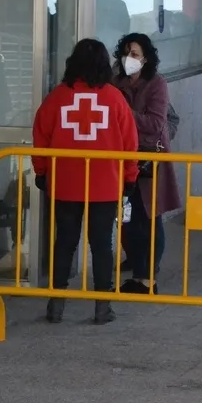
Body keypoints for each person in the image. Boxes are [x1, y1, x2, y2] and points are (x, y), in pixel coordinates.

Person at [32, 38, 139, 324]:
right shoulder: (115, 98)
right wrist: (130, 177)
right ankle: (102, 307)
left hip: (64, 182)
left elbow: (40, 137)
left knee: (64, 242)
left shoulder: (57, 97)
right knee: (102, 245)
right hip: (105, 185)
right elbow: (130, 142)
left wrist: (41, 172)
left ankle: (56, 306)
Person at [112, 33, 180, 295]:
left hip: (150, 159)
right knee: (128, 218)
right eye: (126, 52)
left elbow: (155, 124)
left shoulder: (157, 84)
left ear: (146, 58)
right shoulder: (115, 82)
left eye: (135, 53)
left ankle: (148, 278)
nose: (129, 58)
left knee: (150, 218)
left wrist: (123, 114)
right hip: (123, 157)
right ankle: (137, 270)